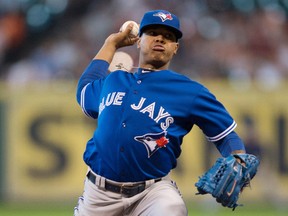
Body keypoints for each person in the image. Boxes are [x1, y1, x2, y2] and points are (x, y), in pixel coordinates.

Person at [74, 9, 246, 216]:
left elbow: (227, 135)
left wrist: (239, 161)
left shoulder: (190, 91)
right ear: (139, 41)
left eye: (168, 37)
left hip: (152, 192)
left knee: (171, 209)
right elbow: (84, 91)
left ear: (175, 48)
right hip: (98, 195)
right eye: (153, 33)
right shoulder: (114, 80)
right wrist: (111, 44)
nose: (160, 39)